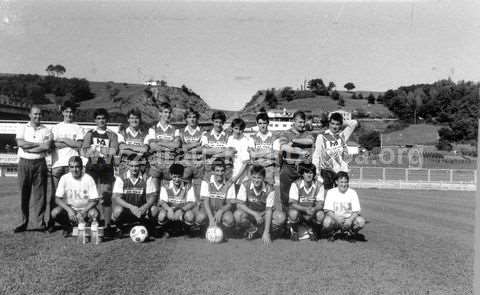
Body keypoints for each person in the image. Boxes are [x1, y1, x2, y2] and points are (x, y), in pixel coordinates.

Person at [14, 105, 53, 233]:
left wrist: (29, 145)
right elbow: (21, 144)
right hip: (24, 162)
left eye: (40, 114)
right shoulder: (22, 127)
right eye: (35, 114)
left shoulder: (46, 130)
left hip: (39, 162)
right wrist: (38, 145)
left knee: (40, 195)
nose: (38, 116)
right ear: (29, 115)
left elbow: (46, 147)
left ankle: (40, 224)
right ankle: (22, 223)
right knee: (23, 194)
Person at [49, 100, 85, 232]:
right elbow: (53, 145)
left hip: (72, 166)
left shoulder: (78, 128)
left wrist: (63, 139)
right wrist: (71, 142)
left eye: (71, 112)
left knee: (70, 196)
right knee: (56, 196)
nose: (69, 114)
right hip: (58, 164)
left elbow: (79, 145)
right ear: (62, 112)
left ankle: (68, 223)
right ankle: (51, 222)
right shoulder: (56, 127)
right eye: (67, 111)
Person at [81, 108, 119, 235]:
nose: (101, 120)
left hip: (106, 168)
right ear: (95, 120)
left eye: (103, 118)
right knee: (89, 197)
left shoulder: (112, 134)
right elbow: (84, 151)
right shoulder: (90, 133)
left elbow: (114, 151)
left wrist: (97, 149)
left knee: (106, 197)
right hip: (92, 167)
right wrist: (101, 151)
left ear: (107, 120)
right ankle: (85, 223)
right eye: (98, 118)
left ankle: (107, 225)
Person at [233, 165, 286, 245]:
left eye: (259, 178)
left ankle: (264, 231)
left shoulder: (270, 189)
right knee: (237, 215)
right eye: (254, 177)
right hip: (250, 214)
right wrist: (255, 214)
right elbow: (240, 205)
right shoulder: (245, 185)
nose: (256, 180)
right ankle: (252, 230)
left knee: (280, 217)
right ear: (250, 177)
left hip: (264, 214)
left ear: (263, 178)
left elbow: (269, 210)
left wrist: (266, 232)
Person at [51, 156, 100, 237]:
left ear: (82, 167)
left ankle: (85, 224)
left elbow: (95, 200)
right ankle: (68, 226)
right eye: (72, 167)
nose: (74, 169)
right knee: (55, 213)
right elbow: (57, 199)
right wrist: (69, 210)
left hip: (85, 209)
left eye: (77, 167)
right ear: (69, 168)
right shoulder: (64, 178)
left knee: (94, 213)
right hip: (71, 209)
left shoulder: (88, 178)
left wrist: (84, 211)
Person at [277, 111, 316, 209]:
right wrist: (301, 151)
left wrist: (294, 141)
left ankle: (299, 221)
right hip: (288, 168)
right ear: (293, 121)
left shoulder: (307, 134)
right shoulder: (285, 133)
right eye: (299, 122)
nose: (302, 125)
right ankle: (285, 219)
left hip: (302, 168)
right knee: (285, 196)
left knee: (302, 196)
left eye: (303, 122)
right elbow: (285, 147)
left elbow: (310, 141)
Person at [112, 154, 157, 234]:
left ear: (140, 166)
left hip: (141, 209)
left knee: (154, 209)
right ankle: (119, 227)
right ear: (128, 165)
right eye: (132, 166)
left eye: (136, 166)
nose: (134, 169)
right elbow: (117, 198)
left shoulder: (147, 178)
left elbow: (152, 197)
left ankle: (148, 226)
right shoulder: (121, 178)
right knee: (117, 211)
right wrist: (131, 207)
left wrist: (144, 207)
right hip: (127, 209)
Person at [313, 112, 358, 190]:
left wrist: (341, 121)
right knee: (327, 198)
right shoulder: (322, 137)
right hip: (326, 172)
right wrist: (316, 172)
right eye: (332, 123)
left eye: (337, 124)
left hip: (341, 173)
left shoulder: (343, 136)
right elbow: (316, 155)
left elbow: (354, 123)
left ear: (341, 125)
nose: (334, 126)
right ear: (329, 123)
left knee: (341, 197)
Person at [153, 163, 196, 237]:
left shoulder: (188, 186)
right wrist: (169, 209)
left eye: (179, 177)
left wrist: (181, 210)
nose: (176, 179)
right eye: (174, 176)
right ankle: (166, 229)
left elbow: (192, 203)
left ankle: (185, 229)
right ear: (170, 175)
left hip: (182, 211)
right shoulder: (165, 185)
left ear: (182, 175)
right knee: (161, 216)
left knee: (190, 216)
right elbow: (162, 201)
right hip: (170, 211)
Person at [144, 102, 180, 189]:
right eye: (165, 112)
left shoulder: (175, 129)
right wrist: (169, 145)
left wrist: (160, 142)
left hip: (169, 166)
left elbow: (176, 145)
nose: (168, 115)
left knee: (166, 195)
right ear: (160, 113)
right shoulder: (153, 129)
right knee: (154, 194)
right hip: (155, 166)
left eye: (169, 112)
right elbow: (153, 146)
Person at [322, 171, 366, 241]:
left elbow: (357, 211)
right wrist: (337, 218)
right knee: (326, 222)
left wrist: (350, 220)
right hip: (335, 219)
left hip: (349, 219)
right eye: (341, 182)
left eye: (345, 182)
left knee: (361, 222)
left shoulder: (353, 192)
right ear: (336, 182)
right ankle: (332, 232)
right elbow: (327, 210)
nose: (344, 184)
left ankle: (351, 232)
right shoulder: (331, 192)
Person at [287, 163, 325, 241]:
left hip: (312, 212)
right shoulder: (295, 184)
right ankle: (295, 232)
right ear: (302, 174)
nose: (309, 175)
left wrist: (314, 209)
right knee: (293, 213)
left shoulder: (319, 185)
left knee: (320, 214)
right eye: (306, 172)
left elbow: (320, 204)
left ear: (314, 174)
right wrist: (305, 209)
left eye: (311, 172)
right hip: (300, 212)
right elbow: (292, 203)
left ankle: (314, 233)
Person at [197, 159, 236, 235]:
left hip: (221, 209)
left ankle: (221, 229)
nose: (220, 173)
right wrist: (211, 218)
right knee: (200, 218)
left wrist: (221, 211)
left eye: (222, 171)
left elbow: (229, 204)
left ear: (225, 171)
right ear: (213, 171)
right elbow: (206, 201)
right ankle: (205, 227)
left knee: (229, 220)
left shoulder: (229, 182)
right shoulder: (206, 181)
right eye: (217, 171)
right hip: (208, 209)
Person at [177, 108, 205, 200]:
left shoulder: (203, 131)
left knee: (198, 191)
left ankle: (198, 207)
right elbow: (182, 148)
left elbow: (203, 148)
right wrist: (196, 144)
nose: (192, 119)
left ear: (197, 119)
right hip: (186, 163)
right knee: (183, 190)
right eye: (189, 117)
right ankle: (181, 210)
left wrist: (188, 148)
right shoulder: (181, 132)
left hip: (198, 164)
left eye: (194, 117)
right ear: (186, 119)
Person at [201, 111, 235, 181]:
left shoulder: (229, 135)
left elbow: (230, 153)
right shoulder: (205, 135)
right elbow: (205, 151)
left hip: (225, 169)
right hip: (210, 169)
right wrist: (223, 150)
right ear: (212, 121)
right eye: (216, 122)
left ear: (223, 123)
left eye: (221, 122)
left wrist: (214, 155)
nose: (218, 124)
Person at [248, 112, 279, 185]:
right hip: (256, 172)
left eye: (264, 123)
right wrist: (268, 151)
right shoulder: (252, 137)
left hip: (269, 171)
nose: (262, 126)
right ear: (257, 124)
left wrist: (258, 153)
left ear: (268, 123)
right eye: (260, 123)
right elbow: (252, 155)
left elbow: (275, 155)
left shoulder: (275, 137)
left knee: (269, 194)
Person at [117, 109, 149, 175]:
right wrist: (139, 149)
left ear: (140, 120)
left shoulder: (145, 133)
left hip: (140, 167)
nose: (134, 120)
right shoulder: (122, 132)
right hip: (125, 166)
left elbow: (145, 149)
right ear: (128, 119)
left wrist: (128, 147)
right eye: (132, 118)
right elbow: (122, 149)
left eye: (136, 118)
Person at [226, 118, 254, 184]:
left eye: (241, 129)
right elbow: (228, 158)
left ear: (243, 129)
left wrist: (236, 178)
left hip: (243, 177)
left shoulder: (248, 140)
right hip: (231, 175)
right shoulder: (230, 139)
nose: (238, 131)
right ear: (232, 128)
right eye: (236, 128)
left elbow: (245, 163)